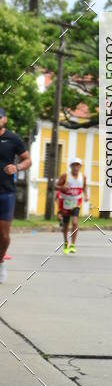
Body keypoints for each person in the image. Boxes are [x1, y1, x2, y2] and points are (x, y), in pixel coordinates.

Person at [0, 109, 31, 284]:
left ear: (4, 119)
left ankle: (0, 261)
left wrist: (17, 168)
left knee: (3, 235)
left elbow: (28, 160)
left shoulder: (13, 139)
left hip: (6, 191)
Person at [56, 158, 87, 254]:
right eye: (74, 165)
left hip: (76, 202)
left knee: (74, 222)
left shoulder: (83, 177)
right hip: (65, 202)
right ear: (71, 166)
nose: (76, 167)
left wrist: (86, 195)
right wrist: (62, 188)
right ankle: (66, 242)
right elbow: (55, 186)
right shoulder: (65, 176)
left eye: (78, 165)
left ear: (80, 167)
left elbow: (84, 186)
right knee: (65, 225)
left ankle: (73, 244)